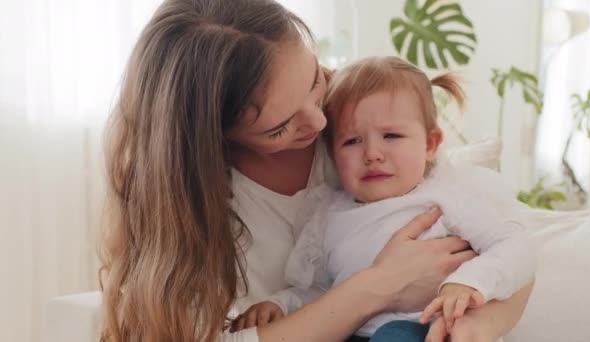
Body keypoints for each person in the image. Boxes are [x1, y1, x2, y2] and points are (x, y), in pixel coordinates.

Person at [99, 0, 534, 341]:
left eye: (313, 82)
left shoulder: (360, 120)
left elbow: (508, 248)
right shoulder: (188, 203)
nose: (321, 123)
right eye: (280, 126)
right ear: (214, 136)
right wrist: (378, 285)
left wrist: (481, 323)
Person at [233, 56, 536, 341]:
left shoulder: (447, 198)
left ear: (431, 144)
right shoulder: (328, 213)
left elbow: (515, 246)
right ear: (332, 152)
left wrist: (470, 283)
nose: (372, 154)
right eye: (352, 141)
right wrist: (281, 305)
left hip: (422, 328)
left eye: (391, 136)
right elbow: (324, 292)